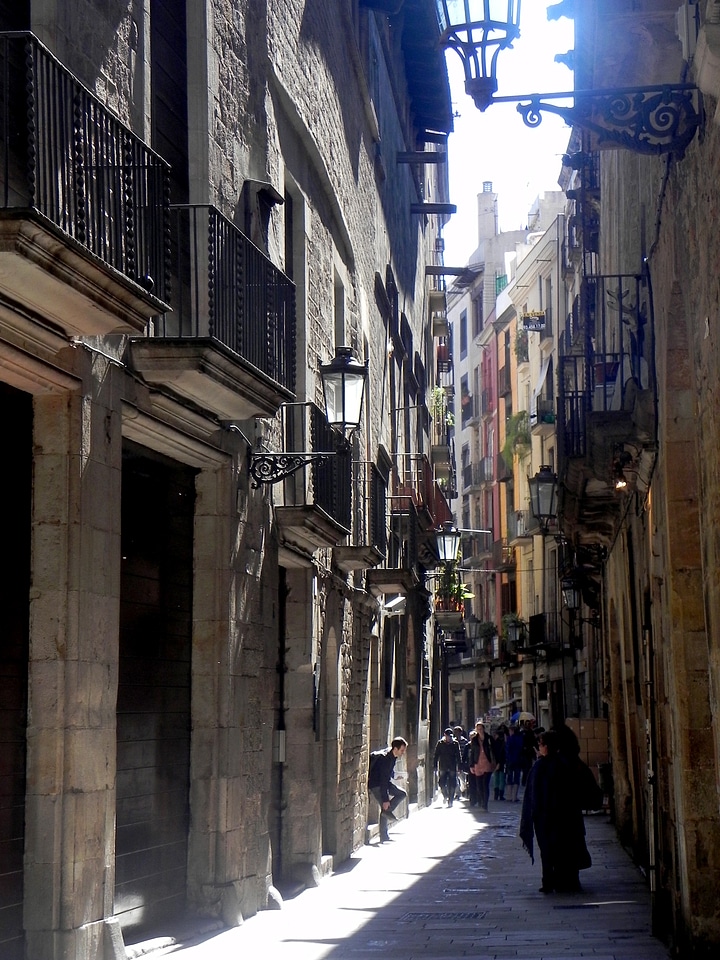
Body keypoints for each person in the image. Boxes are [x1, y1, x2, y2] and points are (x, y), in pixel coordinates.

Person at [519, 729, 592, 893]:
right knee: (564, 849)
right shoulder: (565, 764)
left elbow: (535, 796)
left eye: (541, 744)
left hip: (547, 818)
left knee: (548, 850)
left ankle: (549, 882)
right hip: (564, 817)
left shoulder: (542, 766)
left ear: (548, 746)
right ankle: (565, 880)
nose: (539, 747)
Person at [368, 736, 408, 842]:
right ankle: (384, 836)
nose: (403, 752)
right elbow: (382, 780)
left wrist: (394, 776)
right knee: (385, 807)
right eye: (402, 750)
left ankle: (387, 812)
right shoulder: (386, 759)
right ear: (395, 749)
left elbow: (387, 774)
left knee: (402, 794)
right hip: (376, 785)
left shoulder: (392, 757)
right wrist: (385, 799)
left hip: (385, 783)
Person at [467, 720, 494, 811]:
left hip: (487, 764)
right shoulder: (474, 740)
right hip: (477, 764)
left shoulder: (489, 738)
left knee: (485, 785)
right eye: (478, 729)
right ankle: (482, 801)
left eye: (481, 728)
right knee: (479, 786)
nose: (480, 730)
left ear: (483, 729)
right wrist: (471, 765)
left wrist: (497, 763)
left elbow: (495, 751)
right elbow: (472, 753)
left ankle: (485, 803)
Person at [433, 727, 462, 806]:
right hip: (443, 766)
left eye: (450, 736)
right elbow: (436, 755)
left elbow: (458, 755)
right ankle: (445, 795)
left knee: (452, 783)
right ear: (445, 735)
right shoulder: (440, 743)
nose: (449, 738)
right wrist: (435, 765)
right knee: (442, 783)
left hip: (452, 766)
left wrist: (459, 766)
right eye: (448, 736)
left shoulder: (455, 743)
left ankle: (451, 800)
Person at [505, 723, 524, 802]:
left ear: (512, 731)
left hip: (510, 760)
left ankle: (509, 796)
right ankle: (514, 797)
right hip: (518, 759)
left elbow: (507, 749)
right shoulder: (520, 738)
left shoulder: (510, 738)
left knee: (509, 777)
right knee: (516, 777)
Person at [453, 725, 469, 799]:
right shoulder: (453, 742)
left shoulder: (465, 741)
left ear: (461, 732)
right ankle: (458, 793)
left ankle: (463, 789)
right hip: (455, 762)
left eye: (458, 732)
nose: (456, 734)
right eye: (455, 732)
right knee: (455, 778)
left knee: (462, 778)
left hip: (462, 762)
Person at [491, 727, 507, 801]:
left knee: (496, 779)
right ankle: (501, 795)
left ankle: (496, 795)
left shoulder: (494, 743)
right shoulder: (502, 743)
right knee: (501, 779)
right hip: (501, 762)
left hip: (495, 762)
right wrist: (500, 763)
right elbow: (502, 754)